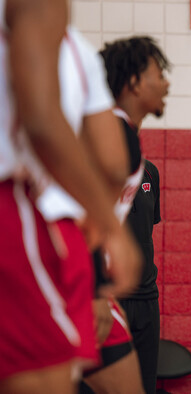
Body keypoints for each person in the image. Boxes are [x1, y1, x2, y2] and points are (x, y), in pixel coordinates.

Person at [0, 0, 141, 393]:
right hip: (26, 213)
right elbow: (43, 121)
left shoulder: (75, 47)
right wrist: (111, 226)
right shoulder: (46, 14)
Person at [82, 36, 168, 394]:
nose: (166, 83)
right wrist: (96, 292)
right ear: (134, 82)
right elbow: (79, 218)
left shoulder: (123, 135)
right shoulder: (109, 134)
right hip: (77, 287)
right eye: (159, 73)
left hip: (110, 291)